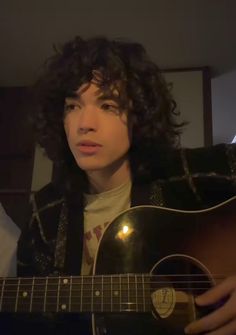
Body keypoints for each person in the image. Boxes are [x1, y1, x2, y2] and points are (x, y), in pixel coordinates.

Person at [8, 36, 236, 334]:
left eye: (106, 104)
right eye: (72, 106)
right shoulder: (45, 211)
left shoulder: (185, 174)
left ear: (137, 116)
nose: (84, 123)